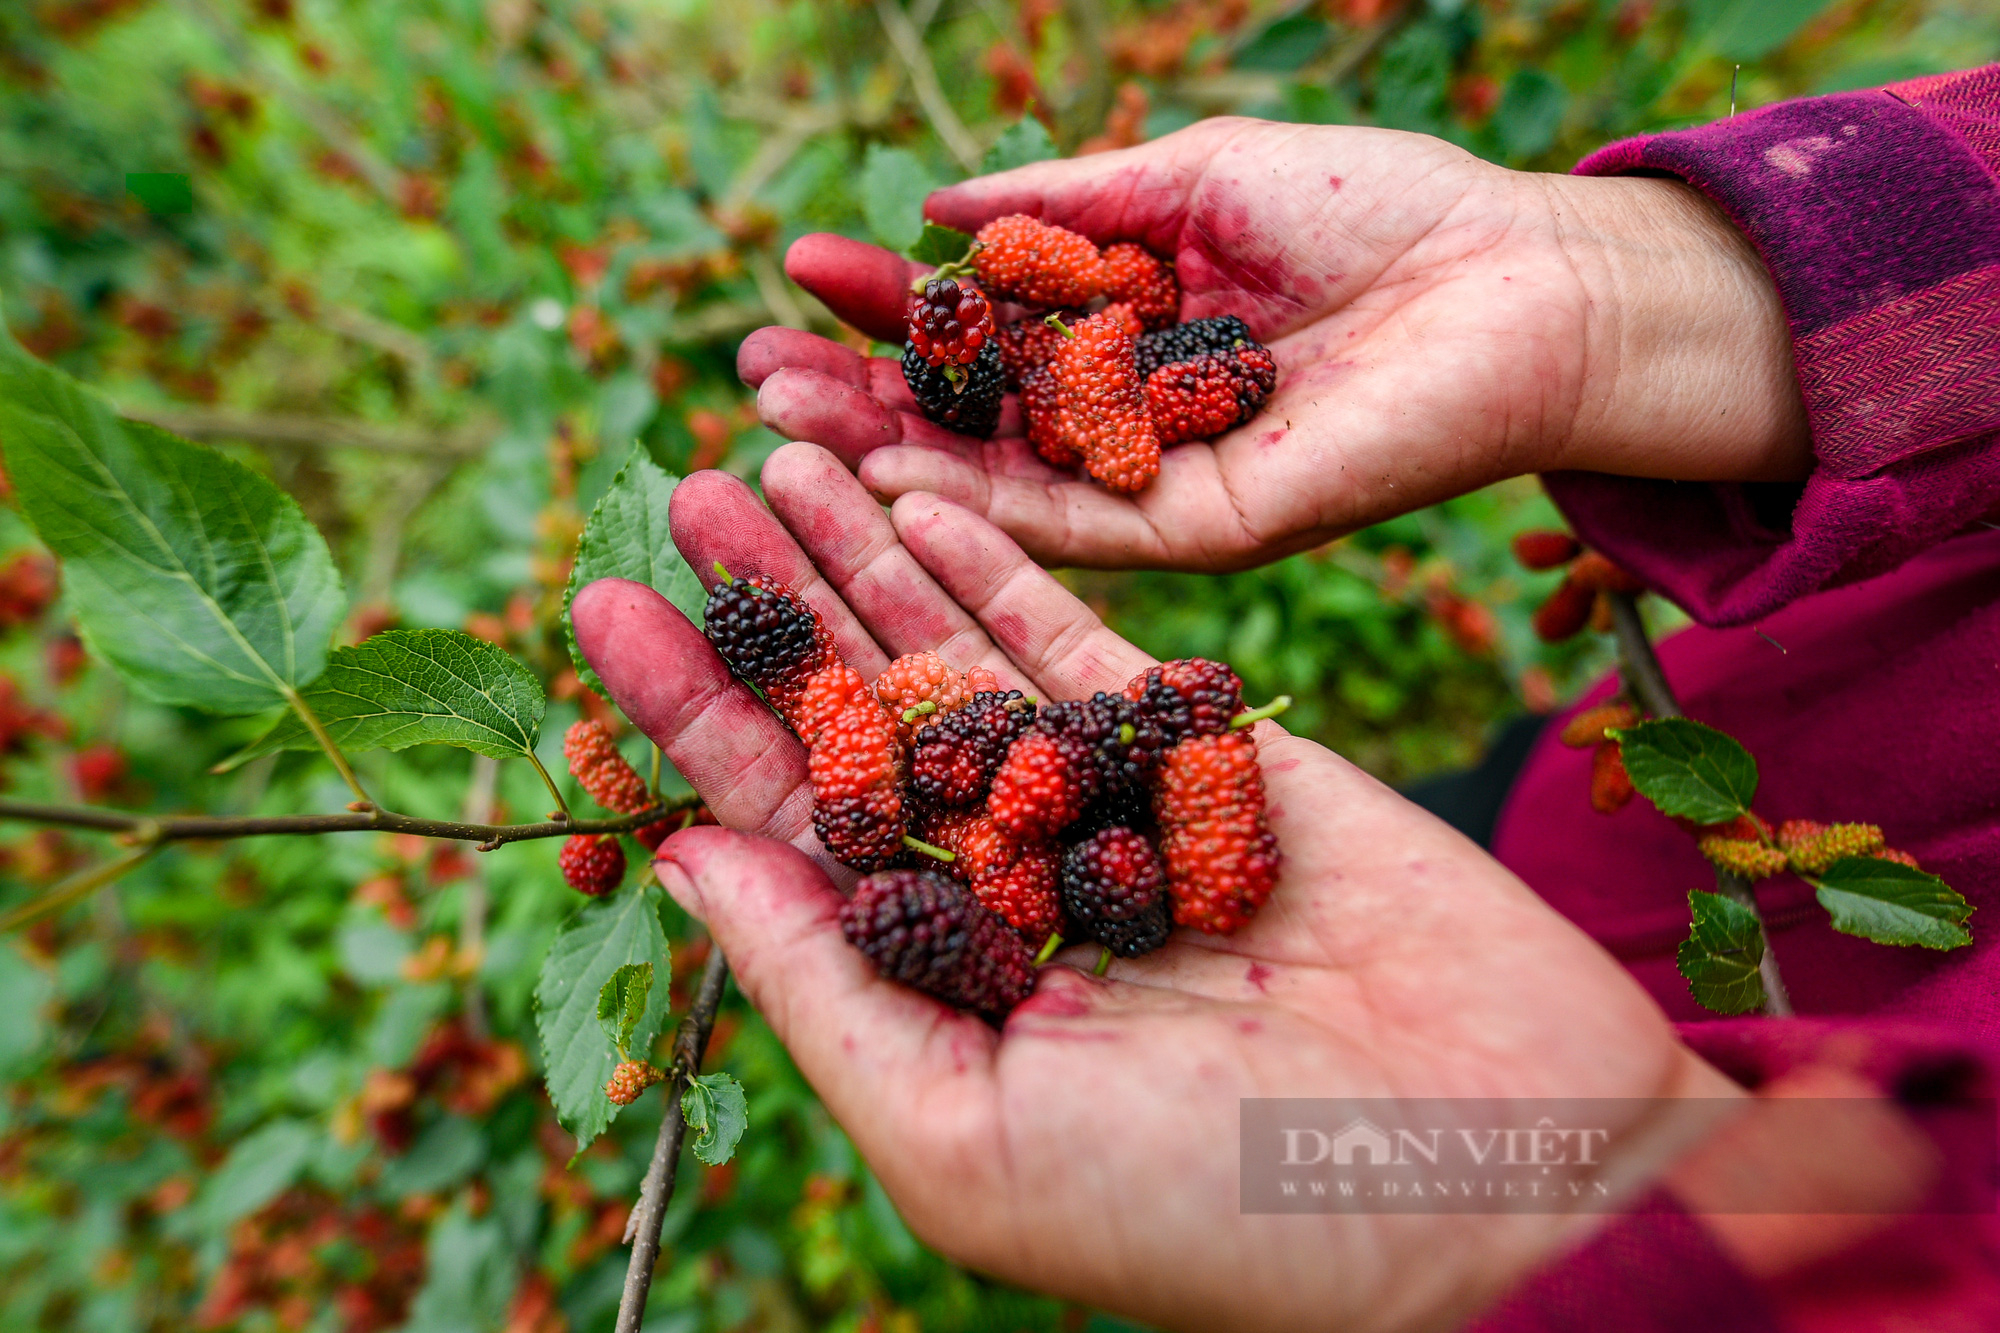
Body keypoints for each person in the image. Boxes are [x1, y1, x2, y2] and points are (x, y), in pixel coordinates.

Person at [571, 66, 2000, 1330]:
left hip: (1742, 1063)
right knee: (1506, 800)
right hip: (1709, 776)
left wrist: (1609, 1216)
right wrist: (1612, 282)